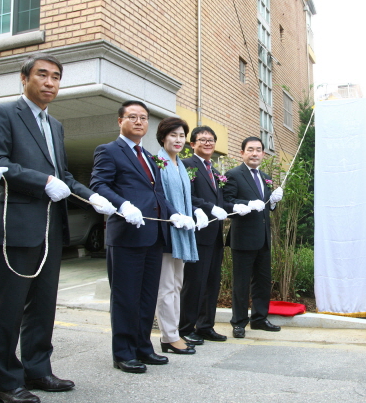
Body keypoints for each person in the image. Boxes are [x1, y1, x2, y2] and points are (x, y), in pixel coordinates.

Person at [0, 53, 116, 403]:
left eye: (56, 77)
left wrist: (94, 198)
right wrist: (41, 180)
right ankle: (7, 384)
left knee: (42, 306)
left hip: (49, 230)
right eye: (42, 75)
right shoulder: (2, 113)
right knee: (8, 308)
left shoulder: (55, 125)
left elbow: (65, 177)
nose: (49, 83)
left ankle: (38, 370)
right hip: (16, 226)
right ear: (24, 78)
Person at [90, 100, 193, 374]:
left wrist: (174, 215)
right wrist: (122, 205)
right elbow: (99, 185)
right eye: (132, 117)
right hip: (126, 236)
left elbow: (158, 194)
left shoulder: (149, 157)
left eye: (143, 118)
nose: (139, 122)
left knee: (147, 297)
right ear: (120, 121)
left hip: (153, 236)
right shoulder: (109, 151)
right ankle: (123, 353)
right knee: (126, 297)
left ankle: (143, 347)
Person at [179, 126, 252, 345]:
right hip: (197, 234)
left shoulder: (215, 171)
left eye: (211, 140)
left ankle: (205, 326)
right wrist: (209, 208)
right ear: (192, 144)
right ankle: (185, 328)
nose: (208, 143)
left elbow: (222, 203)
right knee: (194, 283)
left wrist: (240, 206)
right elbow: (185, 196)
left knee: (212, 283)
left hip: (215, 236)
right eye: (202, 140)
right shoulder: (186, 165)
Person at [223, 137, 283, 338]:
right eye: (250, 150)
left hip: (264, 239)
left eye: (258, 150)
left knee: (262, 282)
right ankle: (239, 322)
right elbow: (227, 201)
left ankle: (259, 319)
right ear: (242, 153)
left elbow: (267, 208)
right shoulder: (233, 175)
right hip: (243, 239)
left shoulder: (265, 176)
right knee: (241, 283)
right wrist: (246, 204)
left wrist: (273, 202)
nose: (255, 153)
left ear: (263, 154)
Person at [154, 118, 204, 355]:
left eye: (182, 135)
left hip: (182, 232)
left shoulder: (180, 165)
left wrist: (195, 211)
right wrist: (176, 215)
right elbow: (159, 197)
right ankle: (169, 336)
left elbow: (186, 197)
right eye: (173, 135)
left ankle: (172, 333)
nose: (178, 140)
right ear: (163, 137)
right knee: (166, 286)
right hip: (166, 231)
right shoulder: (158, 162)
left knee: (176, 283)